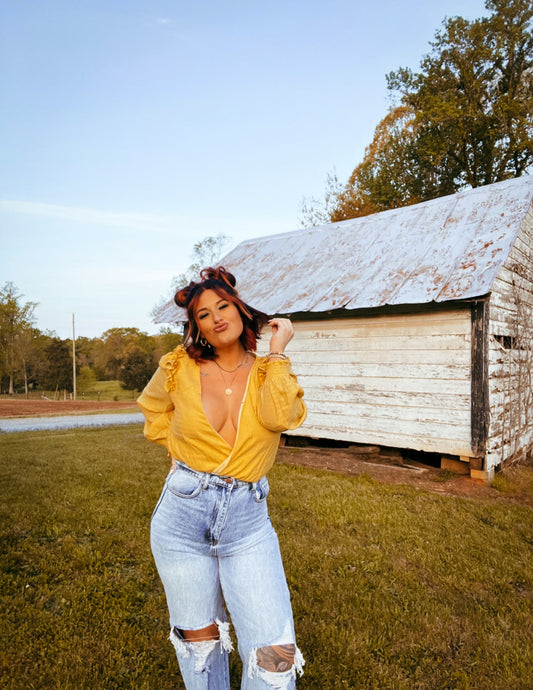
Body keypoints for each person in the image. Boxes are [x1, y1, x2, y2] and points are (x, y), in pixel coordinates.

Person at [137, 266, 307, 689]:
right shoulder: (179, 366)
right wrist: (179, 451)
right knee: (200, 641)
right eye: (202, 315)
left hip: (247, 524)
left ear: (240, 309)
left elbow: (281, 416)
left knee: (275, 654)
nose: (215, 317)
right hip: (181, 519)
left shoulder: (271, 371)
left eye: (223, 306)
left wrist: (278, 350)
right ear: (196, 328)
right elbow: (153, 410)